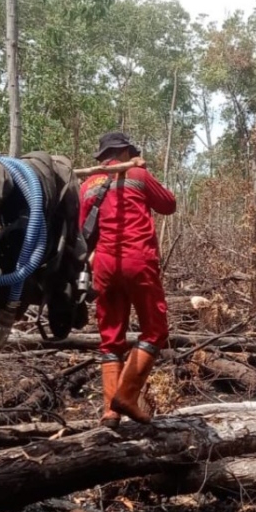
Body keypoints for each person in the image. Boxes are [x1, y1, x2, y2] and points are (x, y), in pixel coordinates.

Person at [79, 131, 176, 427]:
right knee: (156, 330)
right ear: (124, 152)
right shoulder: (137, 174)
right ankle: (127, 396)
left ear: (103, 156)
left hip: (105, 266)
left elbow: (82, 228)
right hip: (138, 260)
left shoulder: (87, 185)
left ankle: (110, 411)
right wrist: (143, 170)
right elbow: (168, 204)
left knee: (110, 337)